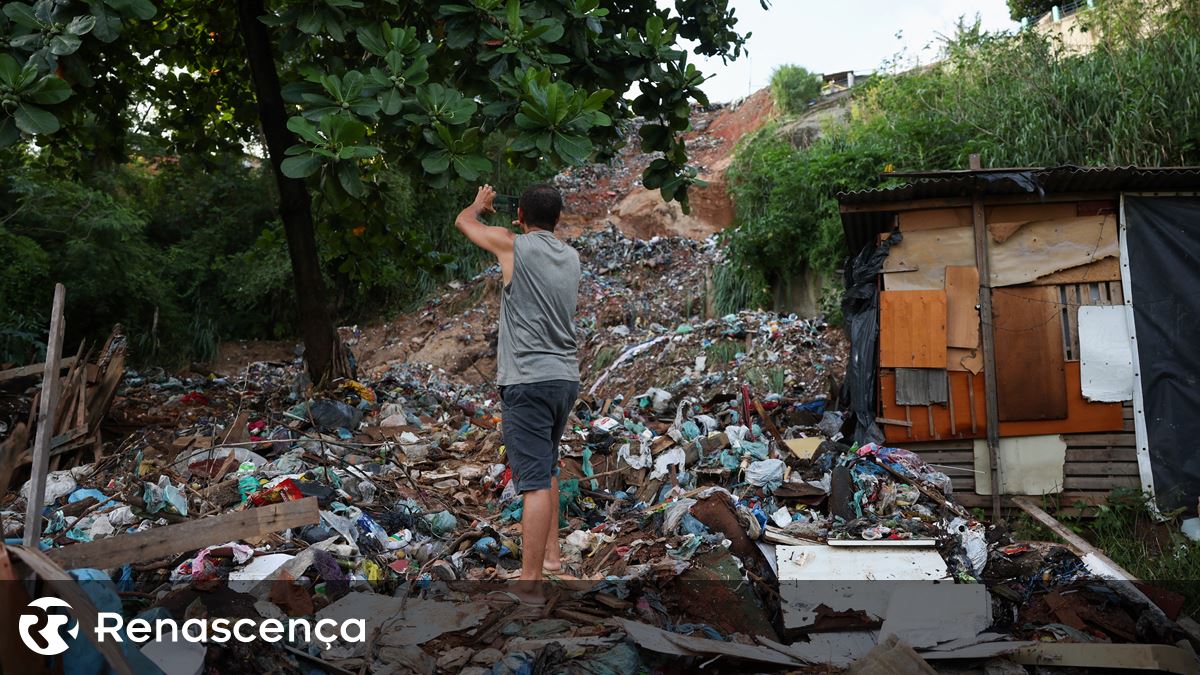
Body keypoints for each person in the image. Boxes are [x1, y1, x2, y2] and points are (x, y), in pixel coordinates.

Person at [454, 183, 580, 604]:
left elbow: (465, 223)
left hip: (527, 381)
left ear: (520, 215)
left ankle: (529, 584)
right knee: (547, 469)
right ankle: (552, 559)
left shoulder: (513, 246)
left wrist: (479, 204)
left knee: (533, 483)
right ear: (558, 219)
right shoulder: (571, 257)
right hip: (564, 379)